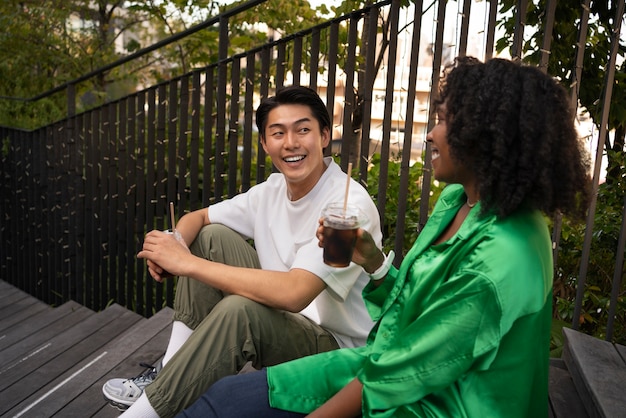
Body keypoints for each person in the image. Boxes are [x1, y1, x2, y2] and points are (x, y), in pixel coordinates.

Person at [175, 56, 592, 418]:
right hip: (382, 362)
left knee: (225, 403)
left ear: (487, 134)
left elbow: (406, 369)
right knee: (224, 398)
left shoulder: (503, 256)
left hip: (444, 403)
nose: (430, 134)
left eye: (444, 120)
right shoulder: (456, 203)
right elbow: (411, 309)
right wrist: (373, 262)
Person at [101, 85, 383, 417]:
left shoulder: (347, 208)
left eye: (303, 130)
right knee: (210, 237)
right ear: (265, 144)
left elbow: (296, 294)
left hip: (336, 350)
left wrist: (186, 264)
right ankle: (170, 371)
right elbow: (200, 217)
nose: (291, 143)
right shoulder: (272, 191)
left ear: (323, 136)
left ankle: (145, 412)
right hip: (288, 324)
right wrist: (175, 241)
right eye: (278, 133)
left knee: (239, 309)